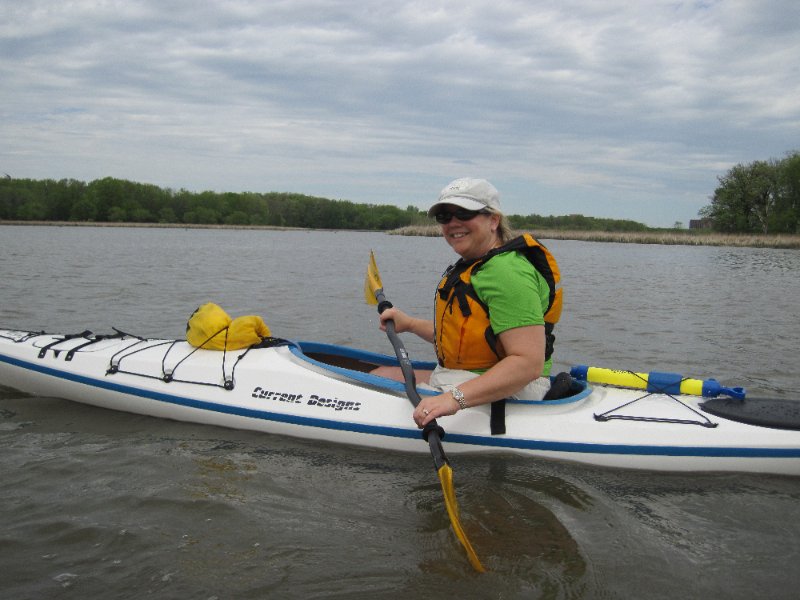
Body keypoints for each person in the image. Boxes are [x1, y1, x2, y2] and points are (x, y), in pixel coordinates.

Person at [375, 177, 562, 430]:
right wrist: (409, 324)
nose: (453, 223)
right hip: (472, 377)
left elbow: (528, 363)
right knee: (381, 374)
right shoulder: (479, 265)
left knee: (378, 377)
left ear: (493, 220)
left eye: (464, 213)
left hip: (510, 389)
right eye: (444, 216)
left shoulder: (507, 272)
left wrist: (453, 400)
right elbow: (471, 337)